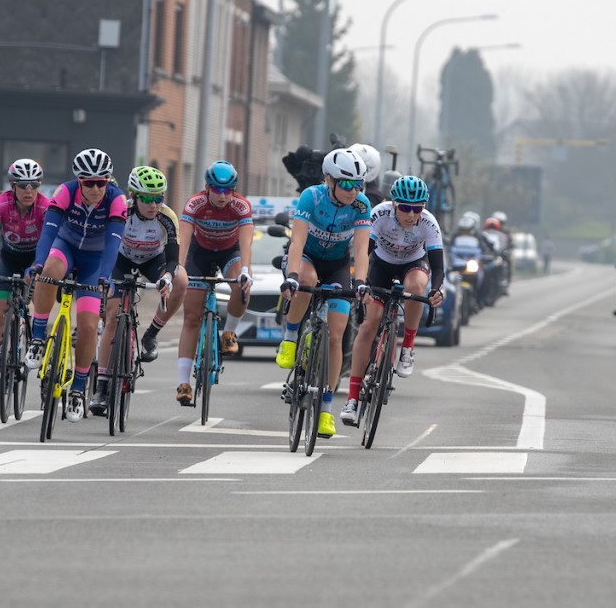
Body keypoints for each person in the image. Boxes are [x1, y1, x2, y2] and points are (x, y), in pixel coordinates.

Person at [24, 148, 127, 423]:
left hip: (95, 262)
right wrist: (37, 263)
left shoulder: (117, 200)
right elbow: (48, 231)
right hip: (66, 247)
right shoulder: (65, 192)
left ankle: (79, 389)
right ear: (79, 181)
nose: (95, 188)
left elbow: (113, 244)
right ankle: (37, 337)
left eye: (101, 182)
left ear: (108, 180)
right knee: (49, 269)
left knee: (90, 325)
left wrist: (105, 277)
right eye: (88, 182)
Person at [276, 149, 371, 438]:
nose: (352, 191)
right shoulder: (312, 197)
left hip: (338, 266)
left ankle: (326, 410)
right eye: (346, 184)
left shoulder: (361, 205)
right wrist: (292, 276)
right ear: (329, 179)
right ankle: (291, 338)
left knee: (336, 335)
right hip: (306, 259)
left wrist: (362, 282)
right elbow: (298, 241)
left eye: (358, 185)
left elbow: (360, 250)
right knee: (308, 278)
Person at [340, 175, 445, 427]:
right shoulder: (379, 214)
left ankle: (407, 346)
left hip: (413, 264)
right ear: (394, 204)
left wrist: (437, 289)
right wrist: (361, 281)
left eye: (417, 208)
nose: (411, 214)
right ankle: (352, 399)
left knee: (417, 286)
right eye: (405, 208)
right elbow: (365, 251)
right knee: (369, 324)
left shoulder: (429, 224)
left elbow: (438, 266)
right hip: (381, 266)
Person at [89, 166, 188, 415]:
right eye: (147, 198)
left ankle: (151, 334)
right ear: (134, 195)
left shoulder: (167, 216)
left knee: (182, 281)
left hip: (152, 261)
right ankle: (101, 387)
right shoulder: (122, 211)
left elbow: (174, 257)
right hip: (120, 260)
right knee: (112, 316)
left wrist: (166, 277)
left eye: (159, 198)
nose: (154, 204)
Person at [0, 158, 49, 404]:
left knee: (41, 310)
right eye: (23, 185)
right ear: (13, 185)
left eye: (34, 185)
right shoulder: (0, 204)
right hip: (8, 259)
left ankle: (43, 356)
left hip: (35, 261)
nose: (29, 190)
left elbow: (49, 242)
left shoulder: (46, 207)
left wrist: (38, 268)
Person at [175, 160, 253, 406]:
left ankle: (229, 332)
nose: (222, 196)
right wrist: (177, 268)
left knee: (242, 287)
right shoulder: (195, 204)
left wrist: (247, 271)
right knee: (191, 318)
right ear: (207, 188)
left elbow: (246, 243)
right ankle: (183, 383)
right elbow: (183, 239)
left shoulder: (241, 206)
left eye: (228, 190)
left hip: (229, 253)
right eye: (217, 190)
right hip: (199, 253)